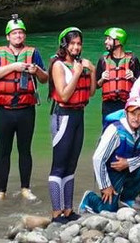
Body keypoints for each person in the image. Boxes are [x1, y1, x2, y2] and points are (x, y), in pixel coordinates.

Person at [0, 15, 48, 202]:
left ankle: (25, 188)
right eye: (14, 33)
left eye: (21, 32)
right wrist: (13, 66)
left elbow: (45, 78)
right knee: (3, 152)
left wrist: (35, 70)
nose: (18, 36)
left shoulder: (33, 52)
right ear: (8, 36)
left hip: (25, 110)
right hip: (3, 110)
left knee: (25, 150)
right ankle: (1, 191)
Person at [48, 26, 95, 223]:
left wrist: (91, 70)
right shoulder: (58, 66)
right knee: (59, 166)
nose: (76, 47)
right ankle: (56, 212)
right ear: (64, 45)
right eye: (72, 43)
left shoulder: (80, 64)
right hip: (63, 116)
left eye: (78, 43)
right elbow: (65, 94)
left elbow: (91, 93)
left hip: (78, 115)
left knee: (71, 165)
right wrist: (76, 73)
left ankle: (68, 210)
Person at [80, 97, 140, 214]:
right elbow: (97, 159)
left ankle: (127, 198)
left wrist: (128, 163)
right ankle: (89, 198)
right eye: (133, 114)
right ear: (126, 113)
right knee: (109, 209)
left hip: (129, 167)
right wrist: (105, 186)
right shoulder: (115, 130)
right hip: (111, 171)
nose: (136, 118)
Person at [95, 27, 140, 121]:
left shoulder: (132, 60)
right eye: (106, 39)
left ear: (118, 41)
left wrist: (133, 78)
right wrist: (102, 79)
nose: (106, 42)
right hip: (108, 106)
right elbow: (96, 85)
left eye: (109, 39)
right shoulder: (103, 61)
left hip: (127, 105)